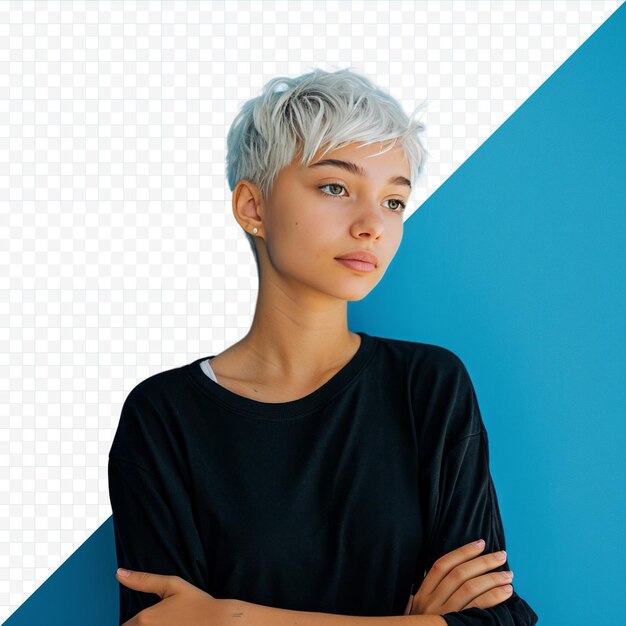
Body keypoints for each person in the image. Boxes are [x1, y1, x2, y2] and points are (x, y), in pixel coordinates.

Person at [108, 67, 539, 626]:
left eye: (393, 202)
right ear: (253, 207)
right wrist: (416, 623)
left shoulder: (427, 386)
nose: (372, 225)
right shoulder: (163, 416)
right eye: (336, 187)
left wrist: (236, 618)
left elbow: (498, 621)